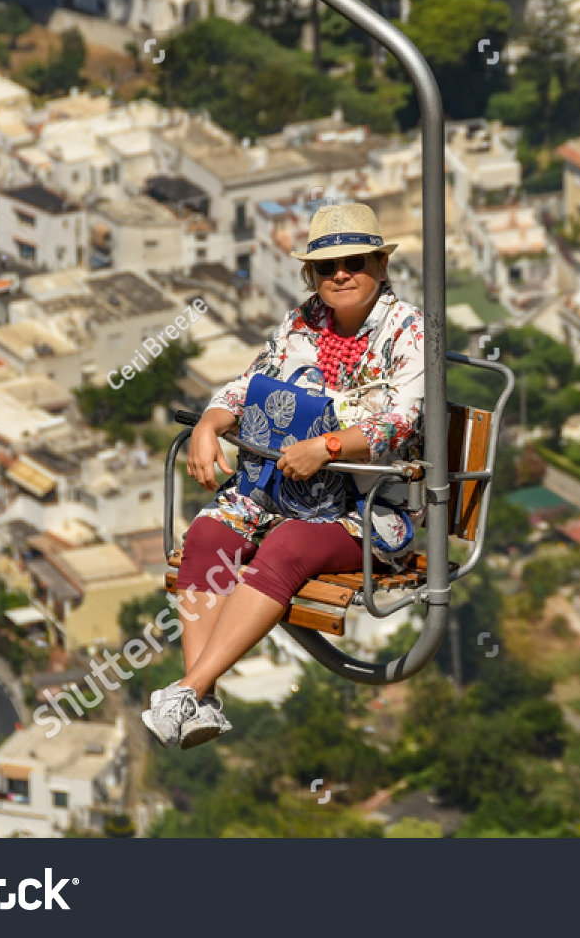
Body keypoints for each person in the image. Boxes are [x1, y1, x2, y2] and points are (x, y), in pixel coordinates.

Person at [142, 203, 424, 749]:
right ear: (311, 276)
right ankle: (197, 703)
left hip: (367, 506)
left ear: (381, 266)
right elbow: (250, 385)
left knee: (289, 545)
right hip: (281, 492)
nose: (340, 275)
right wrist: (209, 423)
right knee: (207, 536)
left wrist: (328, 446)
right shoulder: (303, 322)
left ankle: (190, 688)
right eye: (326, 267)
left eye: (355, 261)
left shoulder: (408, 331)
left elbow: (400, 422)